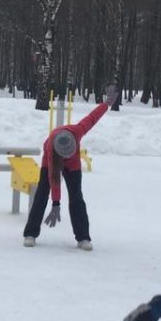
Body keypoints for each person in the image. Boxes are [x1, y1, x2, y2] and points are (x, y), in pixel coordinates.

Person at [23, 85, 118, 250]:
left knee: (77, 198)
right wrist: (56, 204)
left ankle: (83, 237)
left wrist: (106, 104)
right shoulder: (52, 150)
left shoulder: (78, 130)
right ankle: (30, 233)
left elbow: (92, 117)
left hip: (73, 167)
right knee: (41, 194)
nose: (66, 157)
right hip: (49, 163)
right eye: (64, 156)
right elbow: (54, 178)